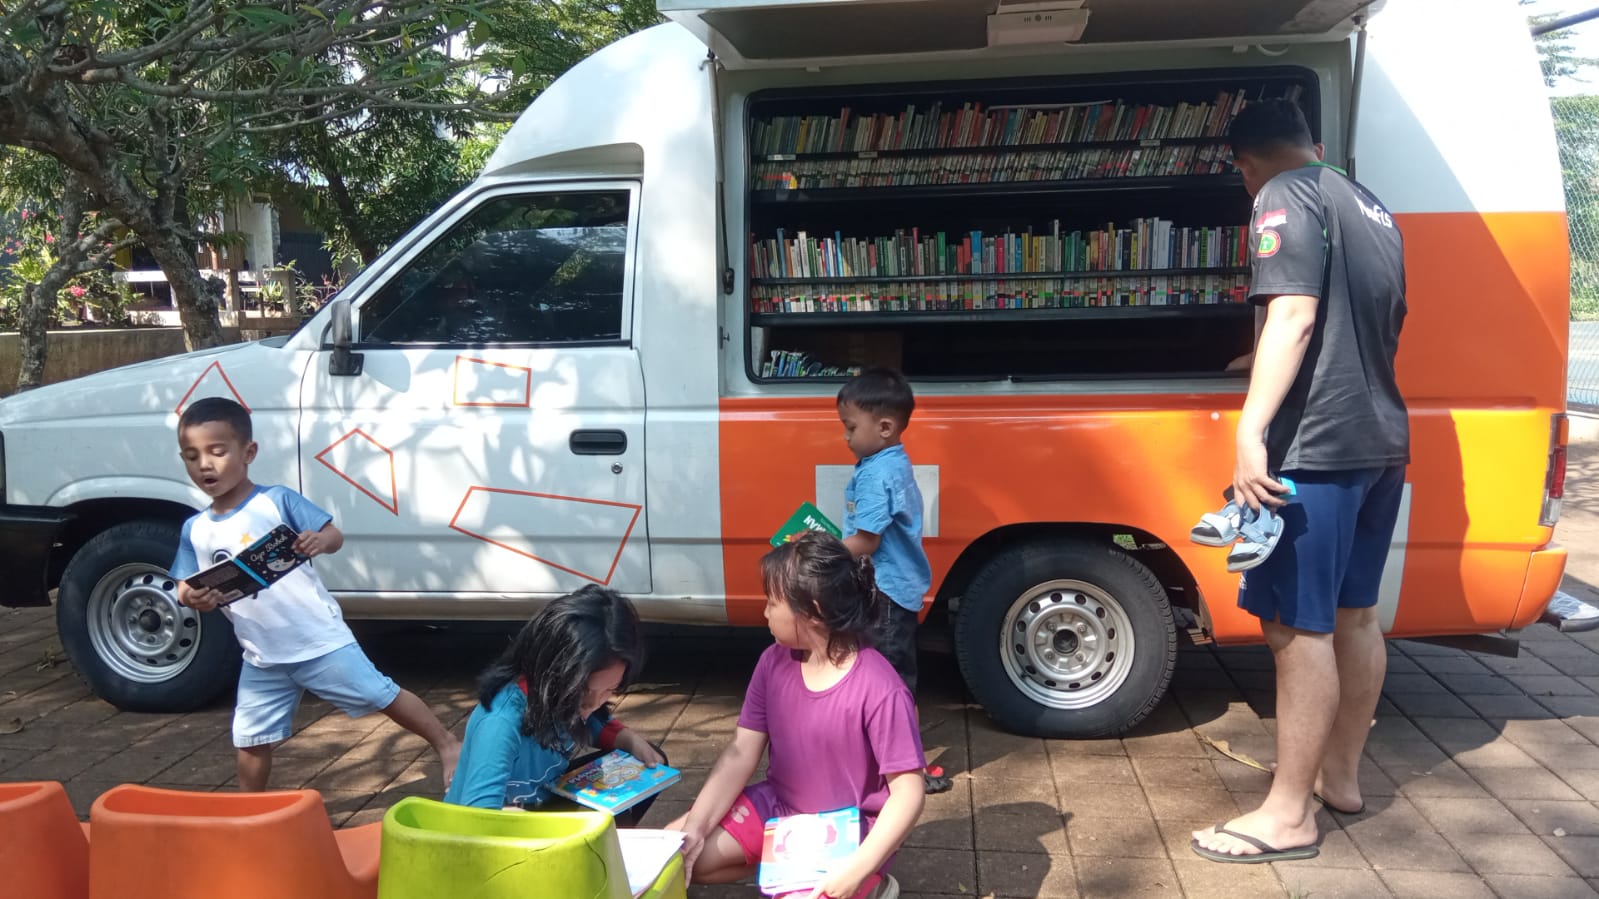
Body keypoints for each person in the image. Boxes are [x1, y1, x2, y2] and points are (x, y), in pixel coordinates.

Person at [1191, 99, 1409, 864]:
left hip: (1312, 449)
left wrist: (1249, 430)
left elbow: (1295, 315)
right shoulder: (1368, 203)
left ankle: (1287, 816)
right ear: (1311, 143)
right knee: (1355, 616)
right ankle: (1338, 778)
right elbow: (1361, 320)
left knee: (1295, 628)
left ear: (1245, 166)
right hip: (1377, 441)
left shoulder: (1281, 195)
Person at [170, 397, 460, 791]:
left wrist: (319, 542)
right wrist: (192, 598)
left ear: (249, 452)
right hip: (262, 655)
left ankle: (447, 744)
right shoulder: (196, 529)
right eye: (192, 456)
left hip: (319, 641)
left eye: (217, 452)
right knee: (250, 739)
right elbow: (185, 585)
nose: (204, 464)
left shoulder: (276, 501)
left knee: (381, 694)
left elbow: (333, 534)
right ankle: (247, 811)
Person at [670, 533, 925, 899]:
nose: (765, 612)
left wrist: (858, 867)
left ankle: (872, 884)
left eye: (772, 602)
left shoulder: (881, 688)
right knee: (676, 854)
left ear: (813, 611)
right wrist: (696, 826)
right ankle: (782, 869)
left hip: (846, 830)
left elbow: (908, 792)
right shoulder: (771, 662)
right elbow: (740, 752)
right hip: (778, 806)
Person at [444, 585, 667, 825]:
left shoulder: (559, 693)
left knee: (646, 765)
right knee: (602, 820)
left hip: (543, 800)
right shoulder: (500, 722)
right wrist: (541, 825)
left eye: (610, 689)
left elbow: (591, 724)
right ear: (552, 670)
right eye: (584, 690)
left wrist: (628, 739)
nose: (592, 704)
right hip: (490, 831)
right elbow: (478, 816)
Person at [835, 368, 949, 795]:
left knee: (890, 684)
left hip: (884, 592)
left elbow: (867, 540)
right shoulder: (890, 461)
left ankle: (909, 770)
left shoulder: (876, 473)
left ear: (884, 427)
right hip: (896, 589)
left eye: (851, 427)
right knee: (894, 680)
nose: (845, 437)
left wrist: (823, 550)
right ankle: (897, 759)